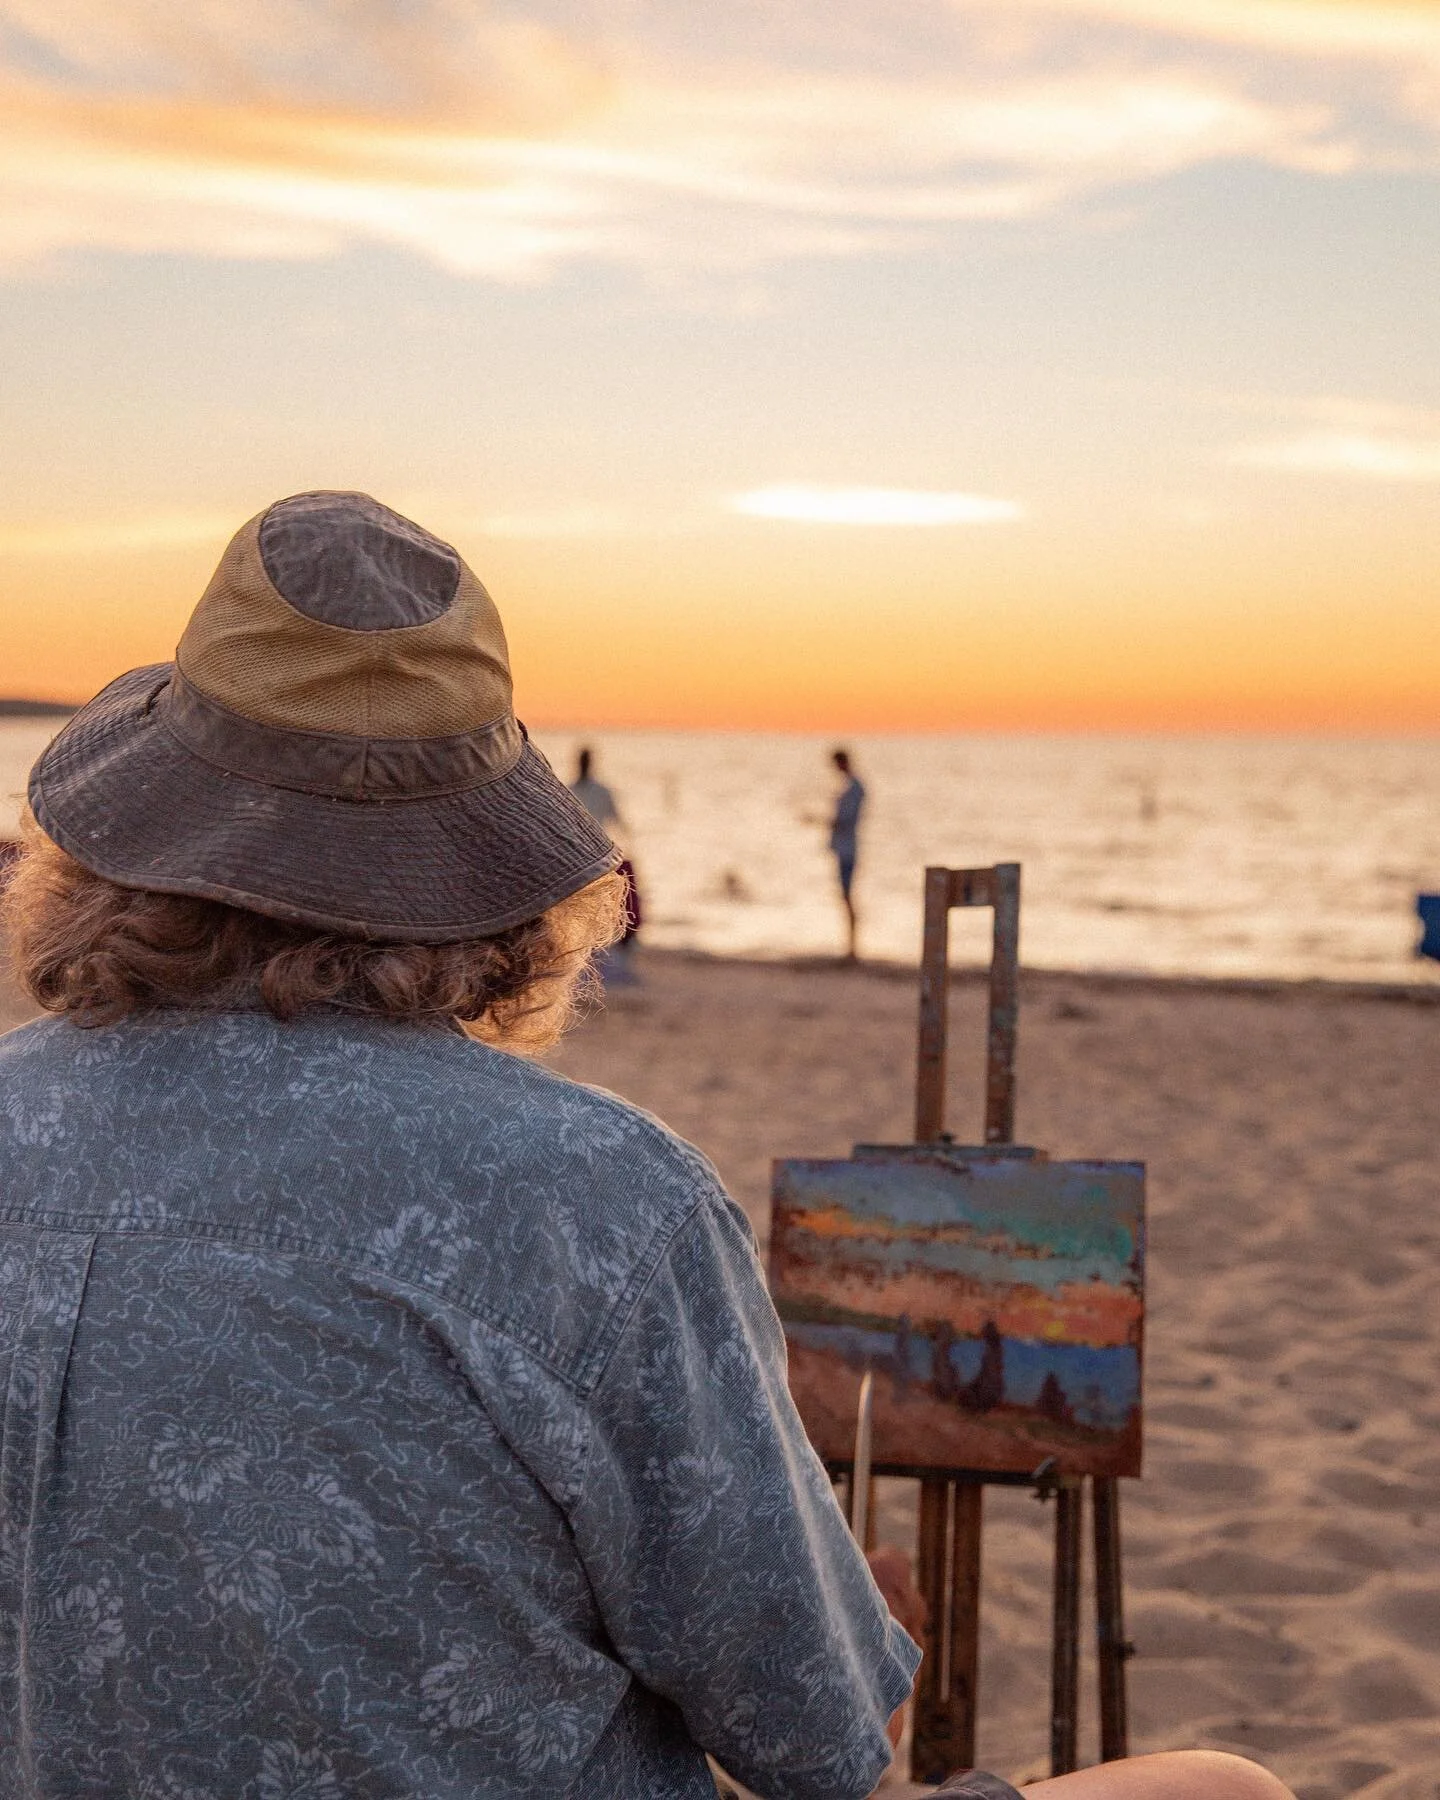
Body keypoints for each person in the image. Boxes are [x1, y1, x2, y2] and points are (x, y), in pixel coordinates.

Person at [0, 491, 1296, 1800]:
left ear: (140, 840)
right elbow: (814, 1739)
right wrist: (852, 1621)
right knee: (1227, 1788)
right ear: (478, 880)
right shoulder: (594, 1195)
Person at [571, 745, 642, 984]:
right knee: (593, 912)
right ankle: (591, 960)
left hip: (584, 861)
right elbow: (620, 824)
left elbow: (618, 825)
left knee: (591, 912)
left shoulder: (571, 792)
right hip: (593, 861)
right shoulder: (594, 791)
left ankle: (593, 959)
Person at [830, 745, 866, 959]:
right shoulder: (851, 787)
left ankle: (853, 947)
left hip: (847, 849)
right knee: (845, 896)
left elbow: (844, 821)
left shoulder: (854, 788)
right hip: (844, 848)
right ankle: (851, 945)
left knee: (847, 896)